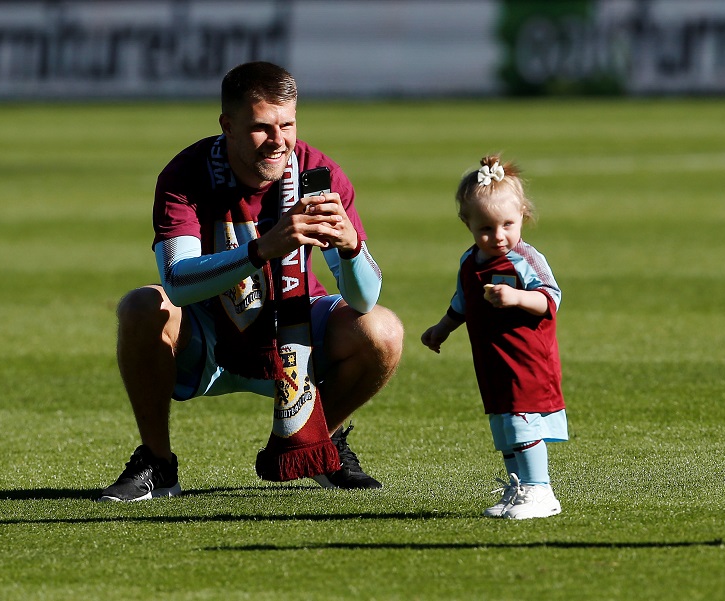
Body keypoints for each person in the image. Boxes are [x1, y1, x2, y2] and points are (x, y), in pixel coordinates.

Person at [97, 61, 403, 502]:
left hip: (297, 330)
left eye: (288, 124)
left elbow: (365, 297)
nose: (278, 141)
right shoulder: (186, 174)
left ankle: (315, 440)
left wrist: (353, 247)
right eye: (262, 127)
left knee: (384, 331)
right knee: (142, 305)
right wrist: (260, 249)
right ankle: (158, 465)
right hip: (206, 334)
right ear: (228, 126)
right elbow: (178, 283)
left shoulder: (320, 175)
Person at [421, 155, 567, 519]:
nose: (498, 236)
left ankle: (540, 490)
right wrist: (441, 329)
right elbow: (462, 302)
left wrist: (517, 297)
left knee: (522, 419)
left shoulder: (524, 260)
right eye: (486, 228)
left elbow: (551, 298)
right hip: (493, 360)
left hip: (527, 358)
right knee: (504, 424)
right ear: (466, 222)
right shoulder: (470, 262)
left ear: (523, 216)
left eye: (507, 224)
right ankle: (518, 488)